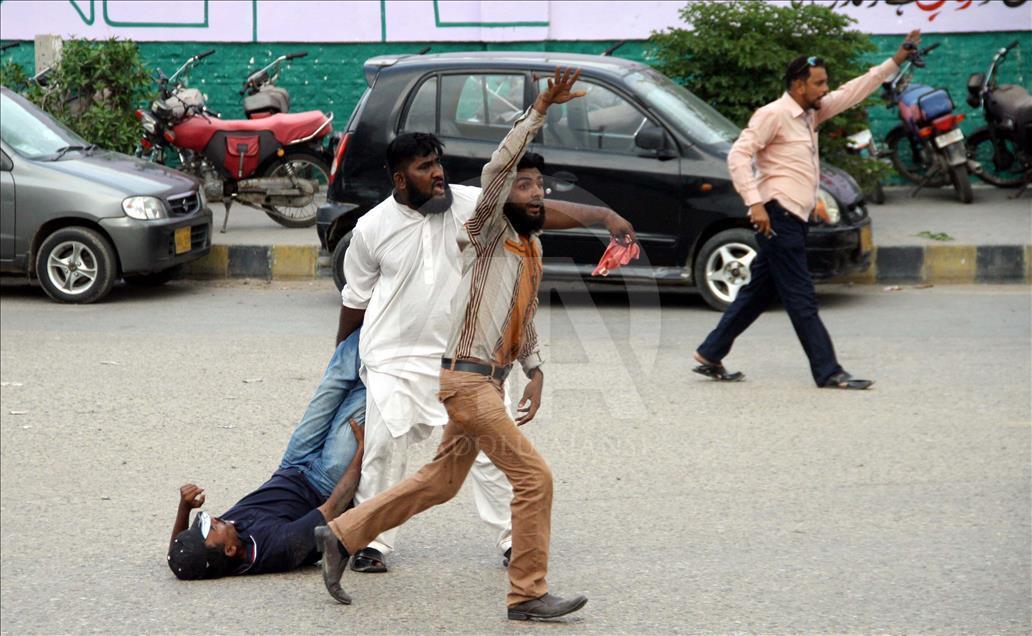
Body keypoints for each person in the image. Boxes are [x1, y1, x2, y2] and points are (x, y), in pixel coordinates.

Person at [316, 67, 606, 621]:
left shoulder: (527, 246)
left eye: (540, 187)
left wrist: (536, 370)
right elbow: (499, 167)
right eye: (523, 186)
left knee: (441, 481)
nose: (535, 195)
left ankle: (343, 533)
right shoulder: (484, 226)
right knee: (534, 477)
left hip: (486, 380)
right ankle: (527, 593)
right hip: (463, 380)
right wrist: (539, 110)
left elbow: (522, 317)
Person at [693, 29, 923, 390]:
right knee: (801, 298)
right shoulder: (773, 115)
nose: (824, 90)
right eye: (818, 83)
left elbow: (854, 90)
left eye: (824, 83)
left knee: (758, 292)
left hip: (793, 218)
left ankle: (710, 352)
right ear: (798, 85)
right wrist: (754, 202)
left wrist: (896, 60)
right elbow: (738, 155)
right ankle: (828, 371)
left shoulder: (810, 114)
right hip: (778, 216)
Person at [167, 331, 366, 579]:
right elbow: (333, 508)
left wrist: (184, 508)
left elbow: (177, 554)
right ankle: (392, 338)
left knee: (334, 380)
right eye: (211, 528)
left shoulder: (221, 545)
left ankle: (372, 325)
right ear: (230, 550)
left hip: (291, 465)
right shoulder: (277, 549)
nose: (215, 519)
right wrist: (362, 451)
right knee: (361, 395)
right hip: (326, 484)